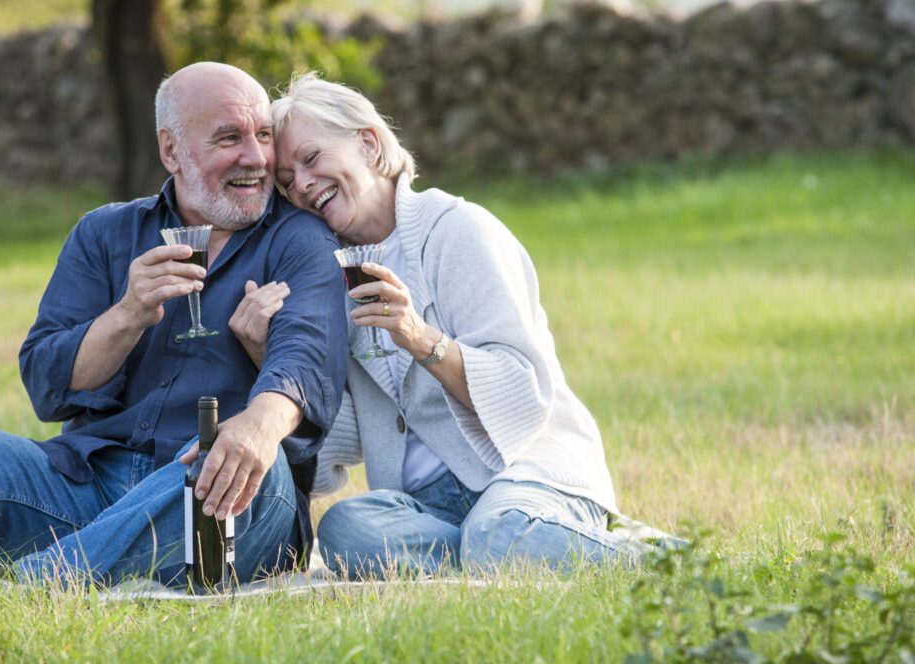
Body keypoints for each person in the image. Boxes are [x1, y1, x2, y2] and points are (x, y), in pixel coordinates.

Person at [0, 62, 347, 586]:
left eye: (262, 135)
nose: (256, 157)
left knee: (233, 465)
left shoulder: (301, 239)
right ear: (171, 151)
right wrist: (126, 316)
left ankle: (30, 587)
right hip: (90, 482)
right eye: (230, 138)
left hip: (227, 491)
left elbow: (307, 359)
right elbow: (47, 387)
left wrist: (258, 426)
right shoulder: (105, 233)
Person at [238, 72, 656, 579]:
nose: (301, 185)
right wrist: (270, 363)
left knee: (496, 528)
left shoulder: (459, 230)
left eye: (311, 159)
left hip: (524, 474)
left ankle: (661, 561)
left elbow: (525, 393)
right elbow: (340, 441)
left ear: (369, 145)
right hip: (429, 509)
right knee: (346, 529)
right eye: (287, 181)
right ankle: (515, 554)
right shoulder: (333, 273)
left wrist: (419, 337)